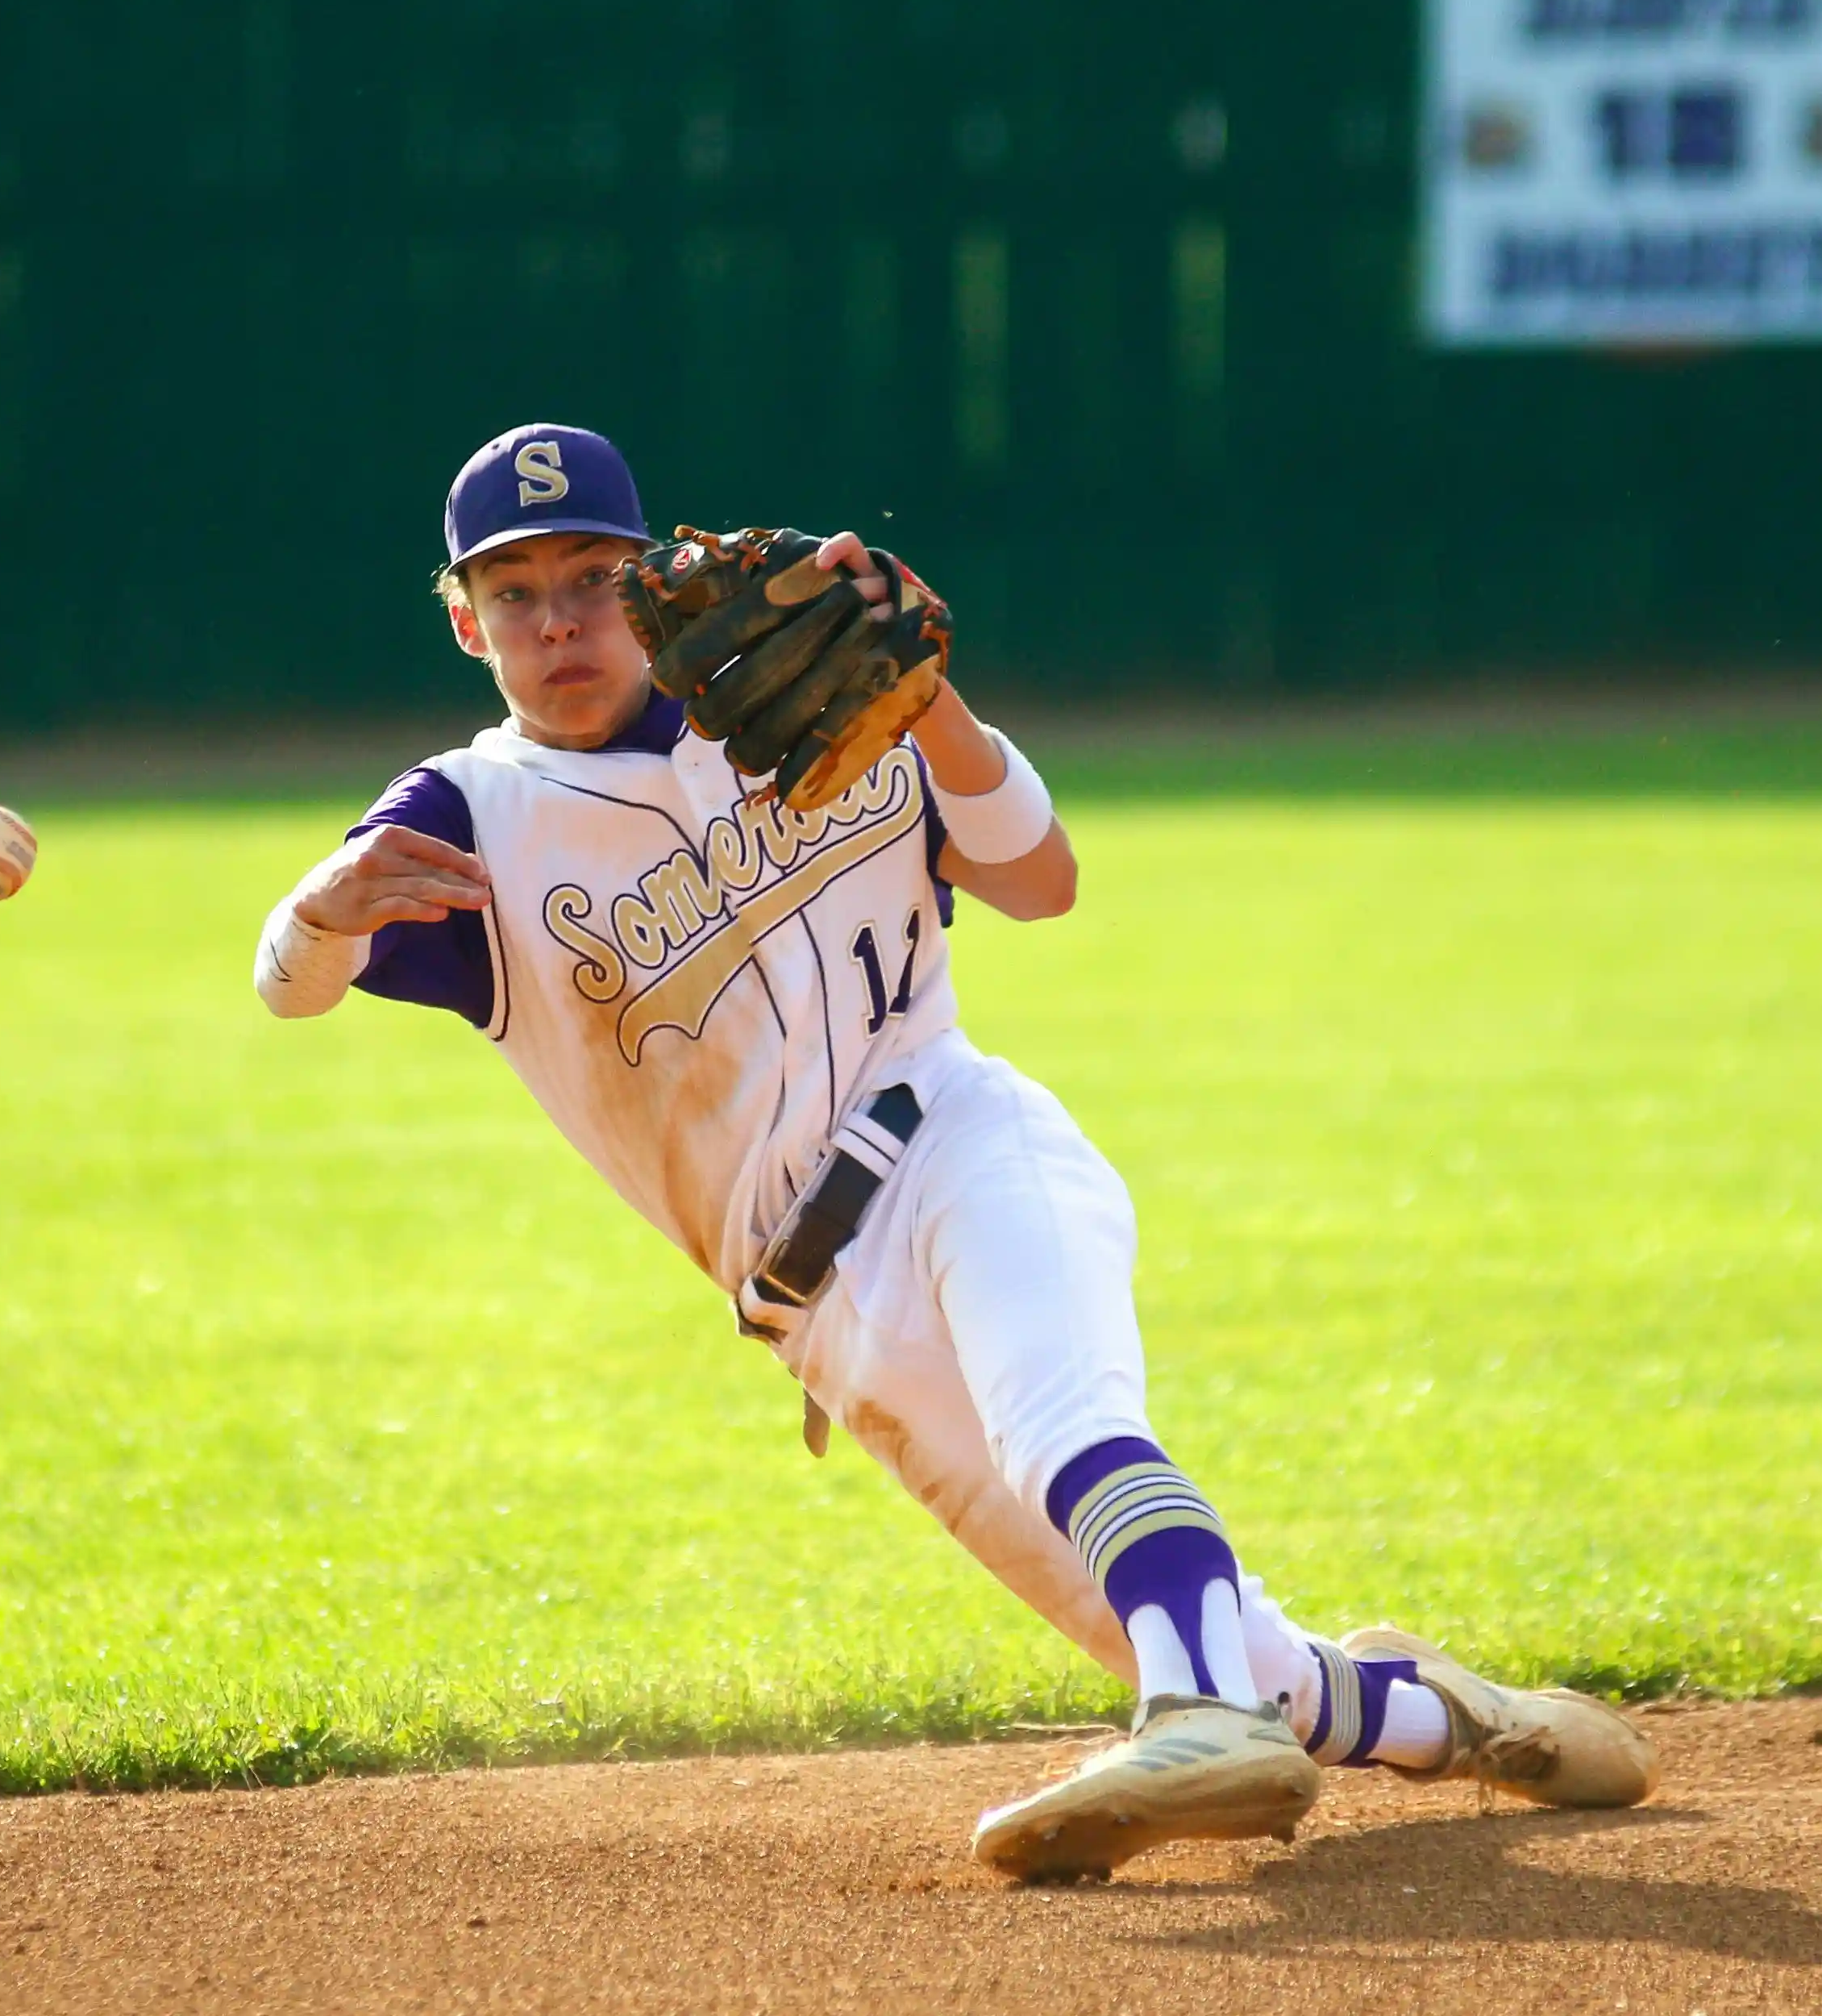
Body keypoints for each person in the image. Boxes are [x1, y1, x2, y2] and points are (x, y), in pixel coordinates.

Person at [251, 422, 1654, 1878]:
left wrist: (934, 706)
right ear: (468, 620)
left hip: (959, 1138)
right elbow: (287, 983)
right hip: (825, 1321)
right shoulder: (467, 818)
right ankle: (1453, 1716)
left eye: (593, 576)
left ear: (652, 575)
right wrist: (327, 905)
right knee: (1239, 1657)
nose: (561, 621)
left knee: (1069, 1432)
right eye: (518, 590)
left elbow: (1041, 880)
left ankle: (1191, 1712)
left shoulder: (800, 702)